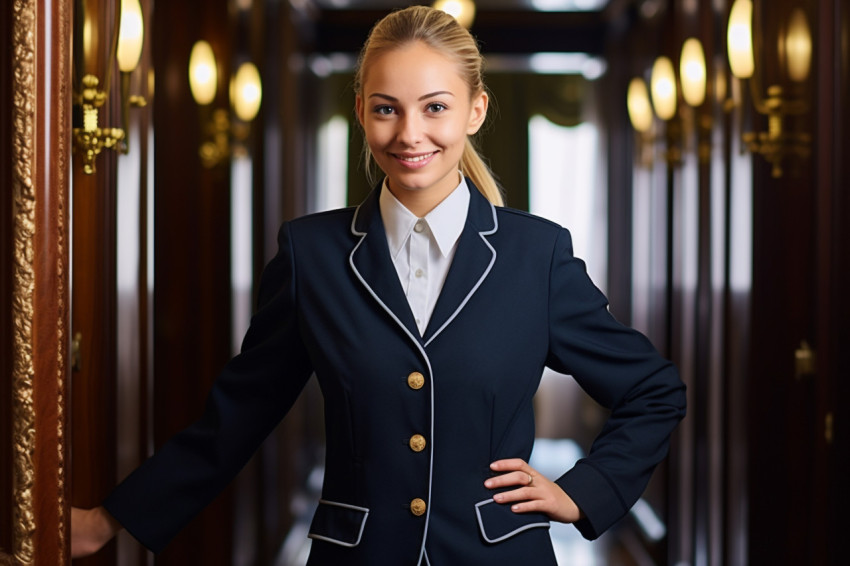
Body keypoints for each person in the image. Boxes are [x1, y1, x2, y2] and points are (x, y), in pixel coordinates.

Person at [72, 6, 686, 564]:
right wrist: (109, 520)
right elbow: (236, 417)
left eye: (435, 107)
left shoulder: (535, 254)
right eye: (387, 108)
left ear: (476, 110)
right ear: (362, 109)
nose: (409, 134)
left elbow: (653, 389)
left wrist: (583, 493)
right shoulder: (311, 254)